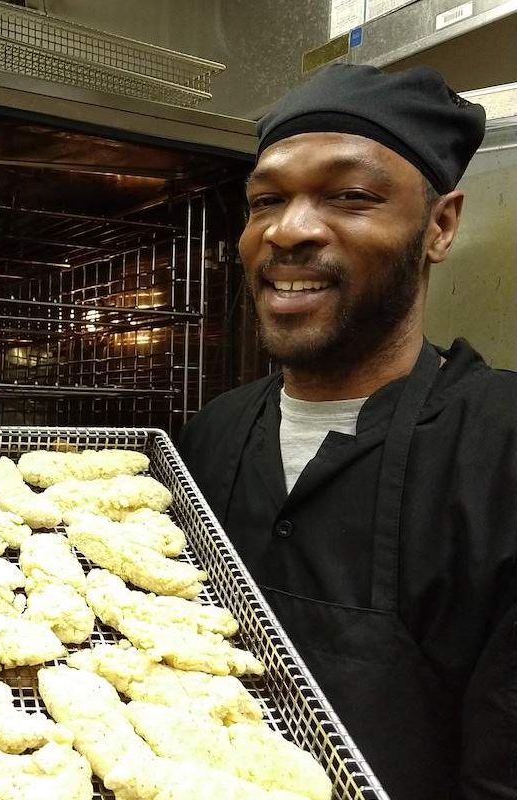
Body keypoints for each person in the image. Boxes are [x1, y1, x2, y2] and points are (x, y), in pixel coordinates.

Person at [177, 63, 516, 799]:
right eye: (265, 200)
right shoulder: (209, 436)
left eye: (350, 196)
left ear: (440, 226)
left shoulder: (501, 449)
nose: (288, 229)